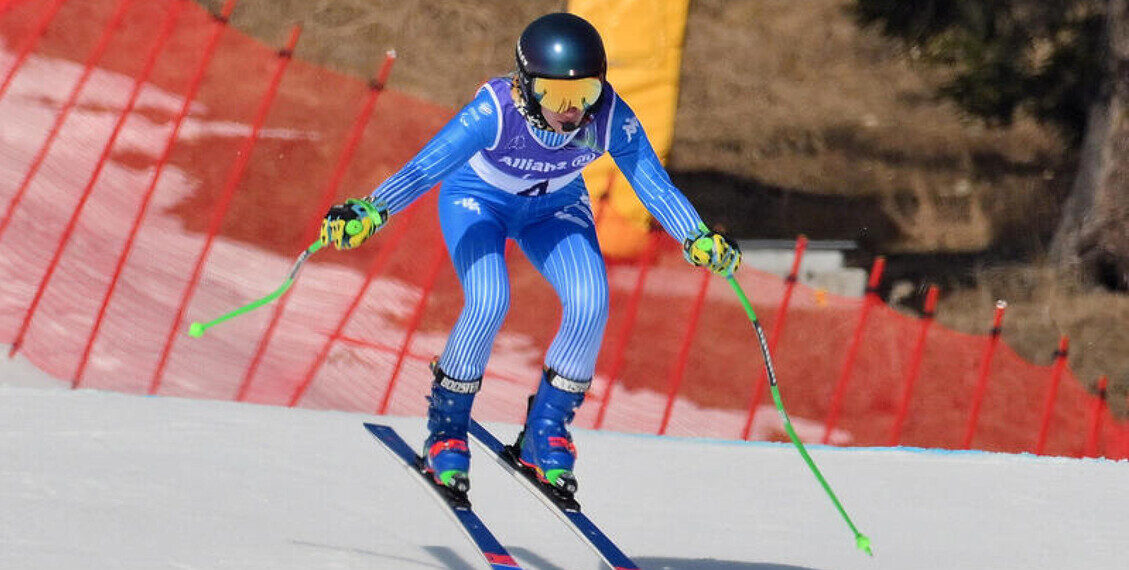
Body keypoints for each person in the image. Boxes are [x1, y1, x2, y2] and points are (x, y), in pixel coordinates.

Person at [320, 13, 740, 495]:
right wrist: (370, 210)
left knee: (591, 302)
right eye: (557, 96)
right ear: (525, 85)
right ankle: (447, 428)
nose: (573, 112)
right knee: (489, 299)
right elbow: (424, 169)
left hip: (554, 208)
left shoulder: (609, 117)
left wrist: (697, 236)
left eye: (585, 94)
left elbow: (652, 183)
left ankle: (545, 432)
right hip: (477, 201)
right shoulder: (493, 112)